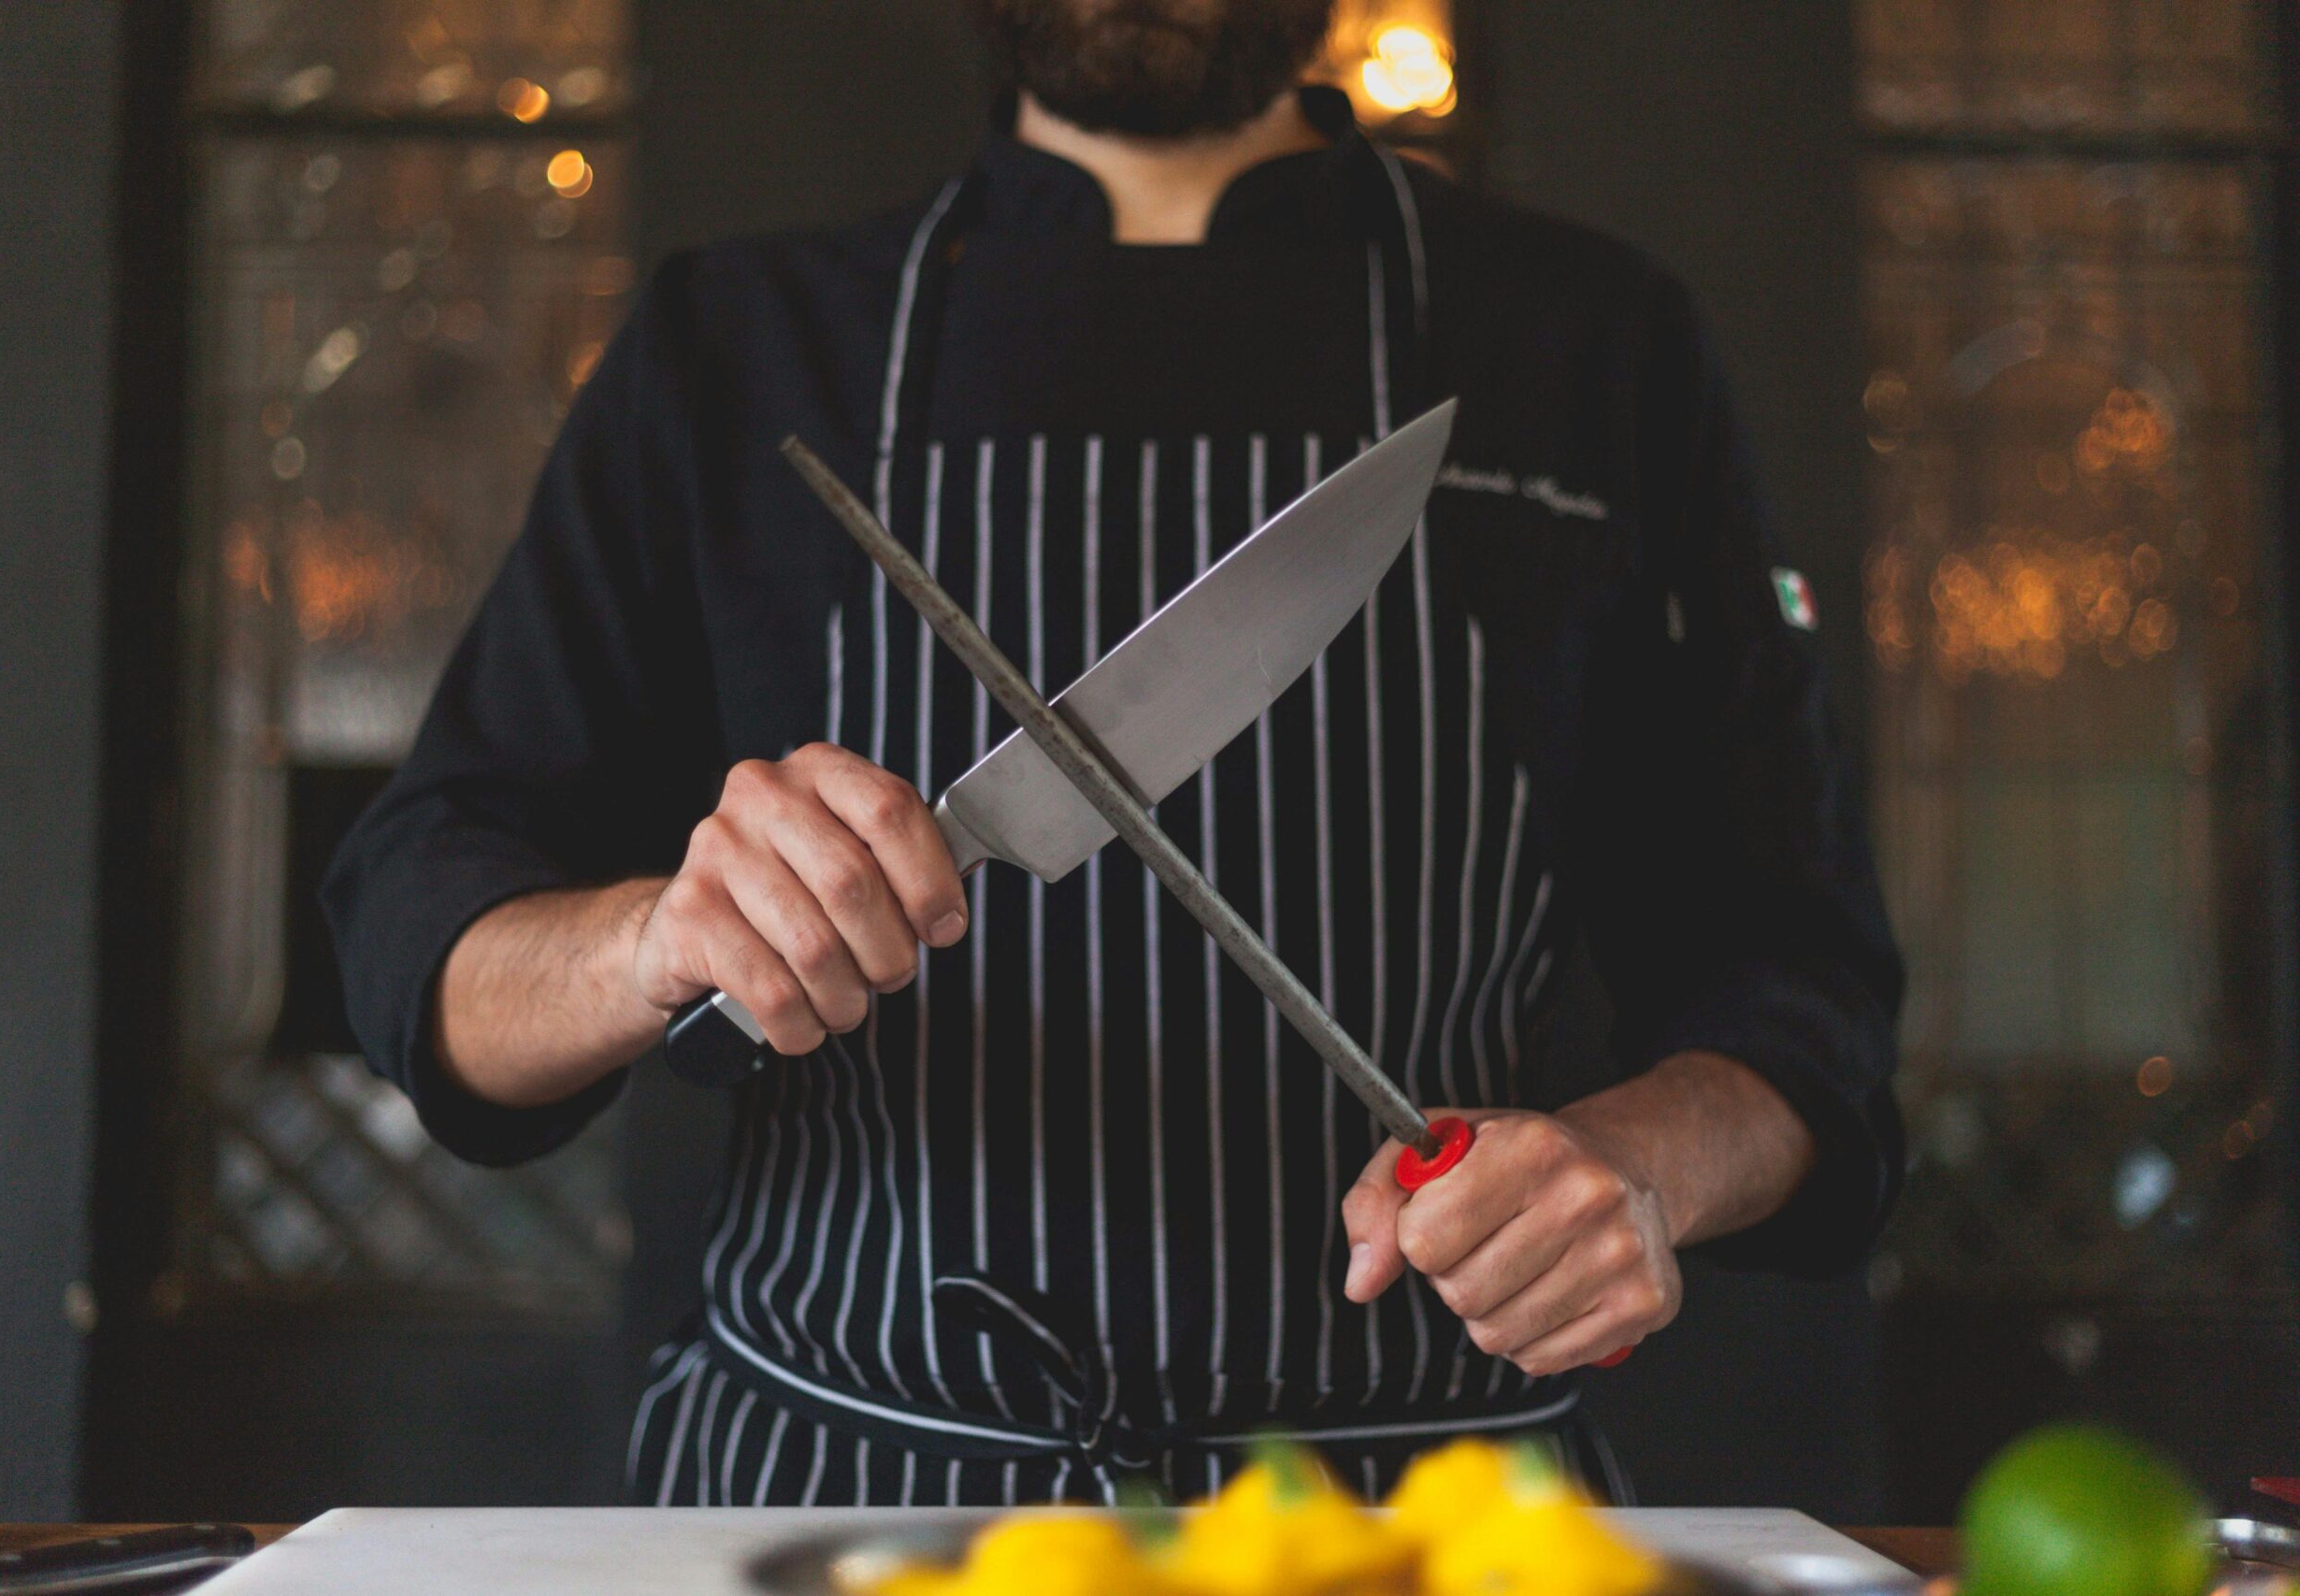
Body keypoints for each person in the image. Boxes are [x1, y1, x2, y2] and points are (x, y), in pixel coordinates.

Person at [325, 0, 1904, 1508]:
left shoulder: (1595, 345)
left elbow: (1804, 996)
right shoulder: (737, 347)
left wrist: (1640, 1164)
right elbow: (422, 945)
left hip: (1410, 1521)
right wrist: (655, 940)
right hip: (843, 1489)